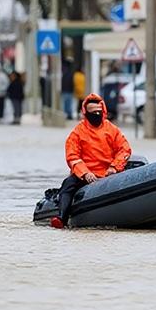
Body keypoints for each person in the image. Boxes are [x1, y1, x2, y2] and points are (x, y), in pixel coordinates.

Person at [50, 93, 132, 228]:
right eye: (93, 112)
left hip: (109, 173)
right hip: (86, 174)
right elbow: (72, 156)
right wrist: (85, 173)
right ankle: (61, 218)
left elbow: (125, 149)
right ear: (85, 113)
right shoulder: (78, 132)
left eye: (99, 111)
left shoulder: (112, 130)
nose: (97, 114)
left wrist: (114, 167)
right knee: (68, 185)